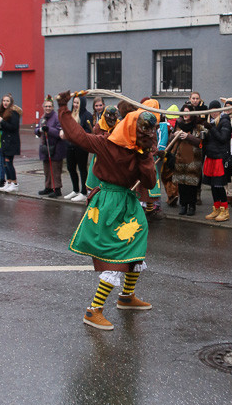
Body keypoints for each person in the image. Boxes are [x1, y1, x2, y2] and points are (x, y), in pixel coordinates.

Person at [57, 91, 158, 331]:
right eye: (145, 133)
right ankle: (94, 310)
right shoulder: (105, 143)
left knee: (138, 241)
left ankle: (126, 296)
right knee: (115, 257)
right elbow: (76, 135)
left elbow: (150, 183)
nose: (149, 137)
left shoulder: (138, 150)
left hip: (128, 201)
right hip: (108, 204)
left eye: (150, 134)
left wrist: (146, 157)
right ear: (132, 129)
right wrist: (63, 106)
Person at [203, 100, 232, 223]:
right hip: (211, 156)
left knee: (219, 186)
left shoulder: (225, 121)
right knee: (213, 186)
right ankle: (216, 208)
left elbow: (223, 138)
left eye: (215, 110)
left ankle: (225, 210)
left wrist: (212, 128)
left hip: (220, 157)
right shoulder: (211, 122)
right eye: (211, 111)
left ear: (219, 110)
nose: (213, 113)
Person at [173, 104, 205, 215]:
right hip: (180, 158)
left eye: (188, 112)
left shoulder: (198, 126)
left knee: (191, 184)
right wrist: (175, 135)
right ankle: (183, 205)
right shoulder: (178, 125)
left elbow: (202, 143)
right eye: (184, 112)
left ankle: (192, 206)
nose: (185, 114)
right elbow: (171, 140)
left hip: (193, 159)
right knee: (181, 184)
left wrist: (188, 136)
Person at [64, 95, 94, 202]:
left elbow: (88, 131)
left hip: (81, 147)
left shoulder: (87, 115)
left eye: (77, 103)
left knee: (82, 169)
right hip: (70, 146)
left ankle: (84, 192)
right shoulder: (70, 115)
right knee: (70, 168)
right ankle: (75, 190)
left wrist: (78, 134)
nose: (75, 105)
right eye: (74, 103)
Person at [35, 95, 66, 197]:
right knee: (47, 169)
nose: (48, 108)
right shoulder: (43, 118)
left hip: (56, 147)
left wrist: (48, 129)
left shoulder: (57, 117)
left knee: (55, 169)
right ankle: (48, 187)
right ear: (43, 107)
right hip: (45, 147)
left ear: (52, 107)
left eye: (49, 106)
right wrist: (40, 130)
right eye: (46, 106)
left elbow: (59, 132)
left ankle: (57, 189)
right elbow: (37, 129)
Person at [0, 93, 22, 192]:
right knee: (4, 164)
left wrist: (2, 122)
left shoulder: (13, 113)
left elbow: (13, 127)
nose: (5, 103)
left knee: (9, 162)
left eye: (7, 101)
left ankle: (15, 183)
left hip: (11, 142)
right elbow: (1, 128)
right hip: (4, 141)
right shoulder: (2, 112)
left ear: (10, 102)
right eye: (4, 101)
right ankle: (9, 181)